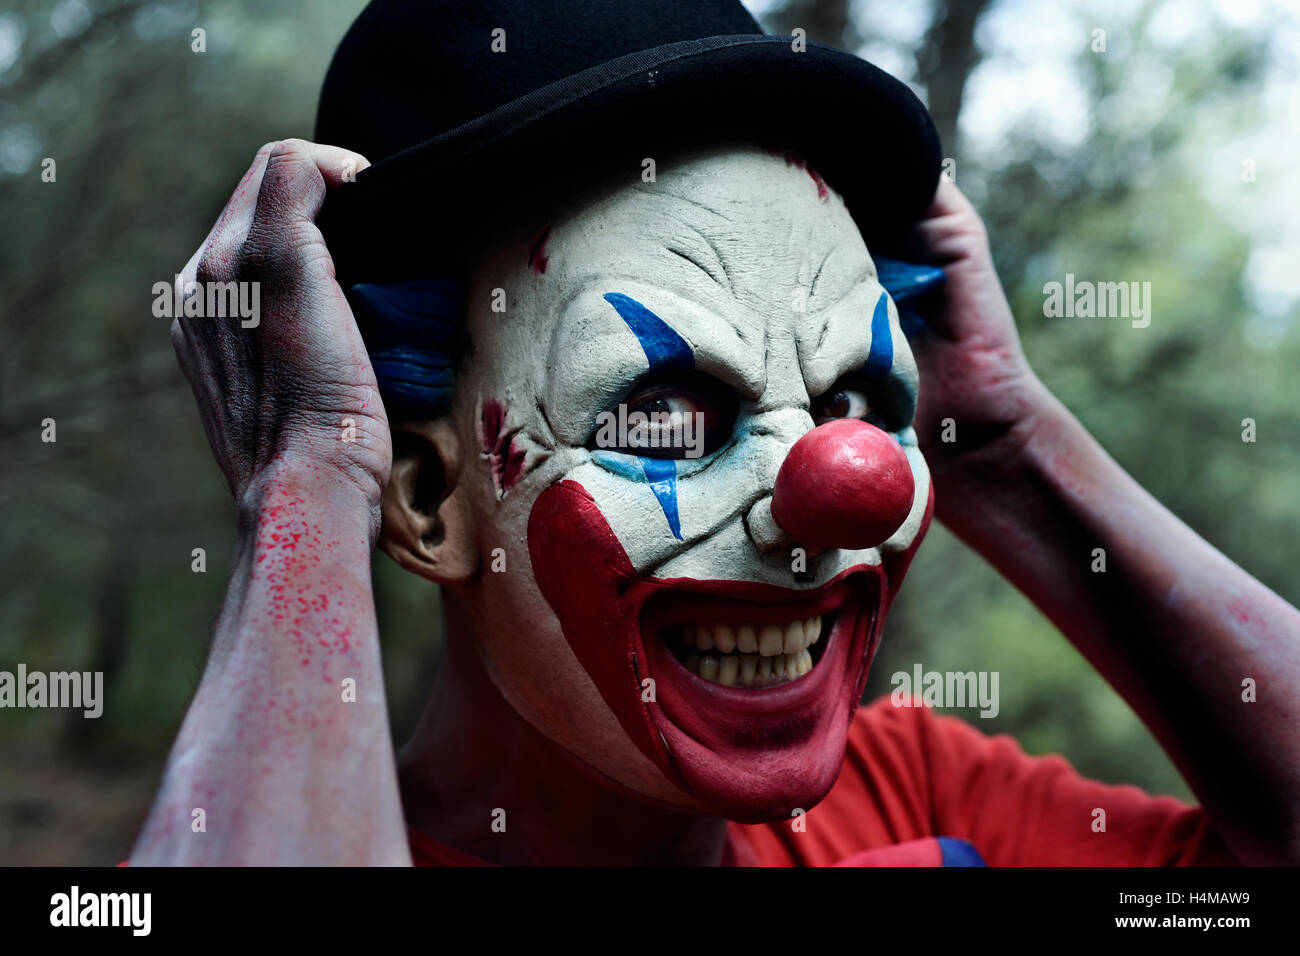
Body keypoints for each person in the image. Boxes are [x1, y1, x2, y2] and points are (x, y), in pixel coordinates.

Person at [132, 0, 1300, 866]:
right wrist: (312, 475)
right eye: (665, 409)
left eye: (853, 402)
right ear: (429, 495)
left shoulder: (916, 790)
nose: (837, 486)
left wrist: (1006, 447)